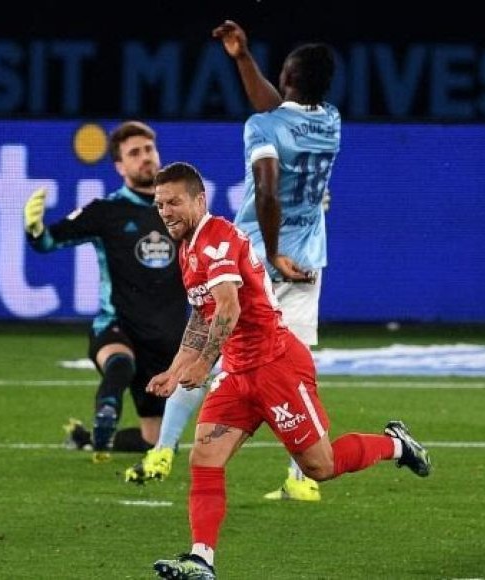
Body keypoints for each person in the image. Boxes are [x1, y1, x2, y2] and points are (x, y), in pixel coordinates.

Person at [148, 161, 431, 579]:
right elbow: (201, 314)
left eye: (174, 202)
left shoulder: (217, 241)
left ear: (199, 199)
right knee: (205, 458)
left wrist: (205, 363)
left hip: (277, 368)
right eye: (159, 205)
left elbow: (228, 305)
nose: (166, 211)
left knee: (320, 466)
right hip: (239, 376)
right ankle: (201, 559)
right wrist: (175, 370)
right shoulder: (188, 247)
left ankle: (396, 445)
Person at [125, 19, 339, 503]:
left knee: (207, 343)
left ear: (287, 77)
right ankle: (301, 476)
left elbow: (265, 187)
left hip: (256, 255)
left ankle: (163, 450)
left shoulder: (262, 127)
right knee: (297, 365)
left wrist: (274, 251)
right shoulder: (331, 120)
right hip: (308, 260)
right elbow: (278, 110)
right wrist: (242, 58)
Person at [23, 120, 187, 463]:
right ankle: (106, 414)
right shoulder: (106, 211)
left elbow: (230, 244)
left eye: (149, 150)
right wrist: (35, 230)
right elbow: (49, 241)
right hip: (119, 325)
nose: (145, 158)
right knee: (119, 363)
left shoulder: (183, 210)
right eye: (134, 153)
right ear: (119, 166)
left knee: (152, 441)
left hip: (166, 338)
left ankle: (91, 439)